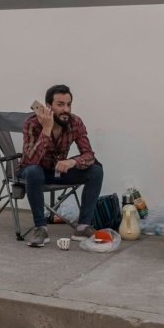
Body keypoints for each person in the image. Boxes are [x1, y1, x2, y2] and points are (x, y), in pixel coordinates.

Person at [18, 84, 104, 248]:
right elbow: (31, 161)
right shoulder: (31, 123)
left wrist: (72, 162)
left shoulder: (75, 122)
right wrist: (47, 128)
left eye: (68, 104)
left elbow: (89, 154)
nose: (66, 109)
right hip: (32, 172)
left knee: (96, 171)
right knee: (34, 171)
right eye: (60, 104)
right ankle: (40, 228)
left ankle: (83, 226)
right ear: (48, 106)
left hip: (57, 171)